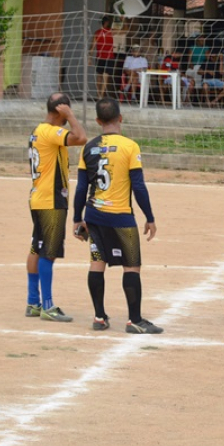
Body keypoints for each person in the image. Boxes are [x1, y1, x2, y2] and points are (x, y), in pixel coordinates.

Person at [72, 98, 163, 334]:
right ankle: (134, 320)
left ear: (98, 121)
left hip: (93, 216)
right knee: (131, 267)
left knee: (96, 263)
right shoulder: (129, 146)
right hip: (121, 217)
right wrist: (150, 217)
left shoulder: (88, 147)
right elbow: (139, 187)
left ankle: (99, 317)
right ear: (120, 118)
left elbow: (81, 188)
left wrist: (76, 219)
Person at [25, 93, 87, 322]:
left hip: (39, 198)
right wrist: (70, 115)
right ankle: (47, 306)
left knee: (36, 249)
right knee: (48, 253)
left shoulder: (38, 130)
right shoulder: (51, 132)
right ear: (60, 111)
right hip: (50, 200)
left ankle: (33, 302)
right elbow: (81, 137)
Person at [91, 16, 115, 99]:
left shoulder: (97, 33)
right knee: (105, 76)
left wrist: (89, 58)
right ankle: (101, 94)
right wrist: (124, 20)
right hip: (108, 57)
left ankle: (99, 94)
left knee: (100, 76)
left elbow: (92, 47)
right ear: (107, 23)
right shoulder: (111, 32)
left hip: (100, 57)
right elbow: (126, 30)